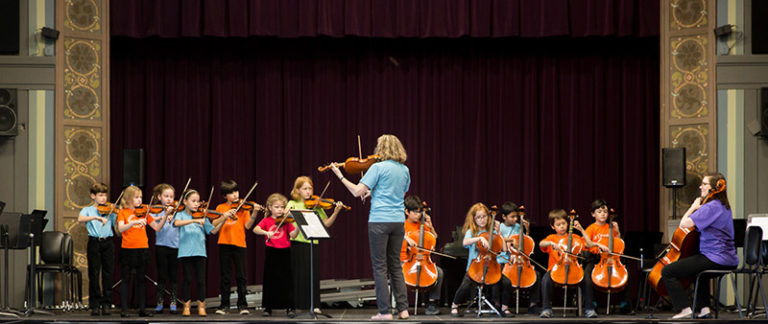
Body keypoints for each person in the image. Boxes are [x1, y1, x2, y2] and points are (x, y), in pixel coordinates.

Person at [331, 134, 411, 320]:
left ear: (381, 148)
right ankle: (403, 310)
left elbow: (356, 191)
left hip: (379, 221)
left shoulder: (377, 167)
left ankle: (384, 312)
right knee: (396, 267)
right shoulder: (404, 170)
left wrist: (340, 176)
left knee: (380, 267)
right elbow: (400, 192)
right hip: (398, 221)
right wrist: (373, 192)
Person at [662, 173, 738, 319]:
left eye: (704, 184)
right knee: (697, 271)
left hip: (716, 258)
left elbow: (684, 224)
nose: (700, 186)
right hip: (729, 258)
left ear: (713, 189)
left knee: (668, 271)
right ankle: (704, 309)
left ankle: (684, 309)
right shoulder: (724, 206)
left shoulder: (711, 207)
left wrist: (693, 206)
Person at [286, 176, 343, 313]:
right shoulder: (293, 203)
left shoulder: (316, 205)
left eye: (310, 188)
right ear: (297, 190)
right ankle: (294, 306)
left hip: (312, 243)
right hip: (297, 243)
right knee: (296, 276)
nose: (308, 192)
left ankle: (315, 305)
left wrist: (335, 212)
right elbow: (285, 215)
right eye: (305, 188)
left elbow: (326, 223)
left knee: (312, 275)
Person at [116, 185, 167, 317]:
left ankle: (142, 309)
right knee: (126, 279)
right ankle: (124, 310)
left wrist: (165, 216)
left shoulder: (144, 211)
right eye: (136, 198)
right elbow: (121, 229)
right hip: (127, 249)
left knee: (141, 280)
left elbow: (156, 227)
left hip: (142, 248)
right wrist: (133, 223)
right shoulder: (123, 212)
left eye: (141, 198)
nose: (140, 200)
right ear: (128, 199)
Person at [174, 189, 226, 317]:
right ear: (185, 201)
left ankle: (201, 307)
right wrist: (194, 220)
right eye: (193, 201)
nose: (196, 204)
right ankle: (186, 306)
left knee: (201, 281)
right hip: (185, 252)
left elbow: (212, 231)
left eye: (197, 201)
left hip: (200, 252)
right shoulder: (180, 214)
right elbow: (176, 223)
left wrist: (223, 219)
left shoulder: (202, 215)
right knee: (187, 279)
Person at [448, 203, 505, 317]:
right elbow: (465, 242)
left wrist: (499, 233)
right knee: (465, 285)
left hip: (491, 265)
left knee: (500, 281)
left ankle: (498, 305)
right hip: (475, 266)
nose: (482, 220)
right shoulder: (472, 232)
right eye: (478, 217)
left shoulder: (492, 232)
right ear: (474, 219)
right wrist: (479, 238)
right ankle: (455, 304)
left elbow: (503, 248)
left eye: (484, 216)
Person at [581, 199, 634, 318]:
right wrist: (597, 246)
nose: (603, 214)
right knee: (586, 276)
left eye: (605, 211)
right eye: (599, 211)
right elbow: (585, 245)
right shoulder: (591, 228)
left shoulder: (611, 227)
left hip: (612, 259)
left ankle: (625, 304)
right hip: (595, 259)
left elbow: (619, 244)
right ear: (593, 214)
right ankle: (590, 305)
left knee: (626, 274)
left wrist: (618, 231)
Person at [214, 180, 260, 315]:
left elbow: (247, 226)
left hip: (240, 244)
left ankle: (242, 305)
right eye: (230, 193)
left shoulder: (243, 207)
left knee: (241, 277)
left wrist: (254, 213)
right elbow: (214, 225)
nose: (235, 195)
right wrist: (224, 216)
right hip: (224, 244)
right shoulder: (220, 208)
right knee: (225, 277)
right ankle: (224, 305)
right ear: (224, 196)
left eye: (236, 191)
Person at [253, 193, 299, 318]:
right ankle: (268, 307)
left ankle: (290, 307)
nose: (280, 210)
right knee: (270, 281)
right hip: (272, 252)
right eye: (277, 207)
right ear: (269, 208)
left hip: (285, 252)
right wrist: (266, 232)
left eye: (282, 207)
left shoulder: (287, 221)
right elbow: (255, 229)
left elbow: (293, 235)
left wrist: (299, 225)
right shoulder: (267, 220)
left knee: (287, 281)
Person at [538, 209, 591, 318]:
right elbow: (541, 244)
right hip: (555, 269)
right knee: (545, 280)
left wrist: (581, 230)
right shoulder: (552, 238)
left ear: (568, 224)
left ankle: (589, 309)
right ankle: (546, 308)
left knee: (586, 280)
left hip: (573, 268)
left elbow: (589, 244)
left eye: (563, 223)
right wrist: (551, 243)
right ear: (553, 227)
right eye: (558, 225)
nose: (562, 226)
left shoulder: (575, 238)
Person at [78, 182, 117, 316]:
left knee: (108, 273)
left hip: (108, 243)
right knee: (94, 274)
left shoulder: (109, 209)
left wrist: (118, 211)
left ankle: (106, 303)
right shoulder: (88, 210)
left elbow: (118, 222)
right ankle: (95, 304)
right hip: (94, 242)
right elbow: (80, 218)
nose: (103, 198)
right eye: (100, 195)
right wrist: (96, 217)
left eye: (105, 195)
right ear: (93, 196)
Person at [400, 195, 443, 315]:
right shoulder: (401, 226)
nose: (419, 215)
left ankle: (432, 303)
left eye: (420, 212)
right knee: (395, 272)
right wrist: (405, 238)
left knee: (439, 272)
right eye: (416, 212)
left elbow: (434, 241)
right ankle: (401, 305)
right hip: (404, 260)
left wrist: (431, 227)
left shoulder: (423, 225)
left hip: (423, 261)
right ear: (407, 211)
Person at [496, 201, 539, 315]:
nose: (515, 219)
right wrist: (510, 240)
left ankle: (533, 304)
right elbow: (497, 241)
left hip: (519, 259)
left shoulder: (518, 227)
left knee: (536, 275)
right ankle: (496, 303)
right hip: (503, 259)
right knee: (499, 276)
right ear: (504, 216)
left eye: (516, 216)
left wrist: (527, 230)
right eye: (512, 216)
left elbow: (526, 244)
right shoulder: (499, 227)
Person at [150, 183, 180, 314]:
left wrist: (174, 216)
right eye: (166, 196)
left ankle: (173, 302)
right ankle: (160, 302)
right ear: (159, 197)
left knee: (174, 276)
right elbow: (157, 227)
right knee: (161, 275)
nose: (169, 199)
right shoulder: (155, 211)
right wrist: (164, 216)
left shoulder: (178, 211)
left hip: (176, 246)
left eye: (171, 196)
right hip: (161, 246)